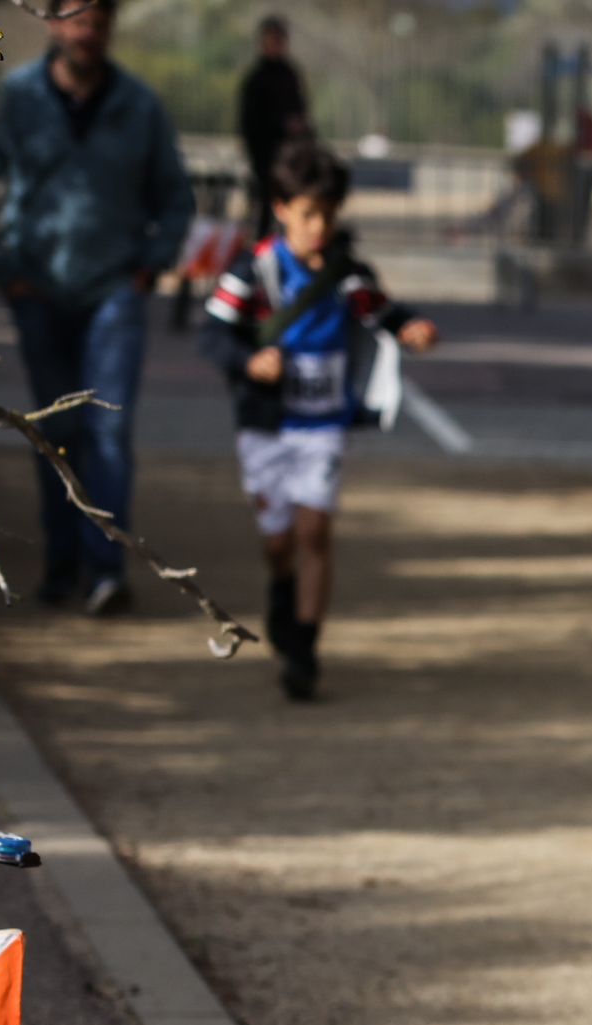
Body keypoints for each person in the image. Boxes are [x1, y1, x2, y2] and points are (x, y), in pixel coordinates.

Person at [0, 0, 193, 615]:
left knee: (108, 428)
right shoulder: (18, 99)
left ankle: (105, 570)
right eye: (77, 19)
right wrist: (1, 270)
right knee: (55, 430)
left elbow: (175, 196)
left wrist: (150, 265)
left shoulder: (139, 105)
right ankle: (62, 566)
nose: (88, 32)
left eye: (99, 20)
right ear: (55, 23)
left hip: (115, 292)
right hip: (39, 293)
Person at [199, 140, 438, 701]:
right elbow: (214, 335)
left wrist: (412, 329)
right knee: (279, 540)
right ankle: (281, 588)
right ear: (281, 208)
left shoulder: (347, 273)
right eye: (308, 214)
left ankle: (304, 650)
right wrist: (250, 362)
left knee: (315, 531)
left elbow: (382, 311)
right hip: (266, 426)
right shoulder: (253, 270)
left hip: (325, 425)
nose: (319, 227)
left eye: (328, 215)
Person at [238, 15, 311, 240]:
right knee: (262, 212)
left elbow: (301, 111)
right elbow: (250, 122)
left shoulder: (290, 75)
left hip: (291, 158)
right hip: (264, 157)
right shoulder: (256, 79)